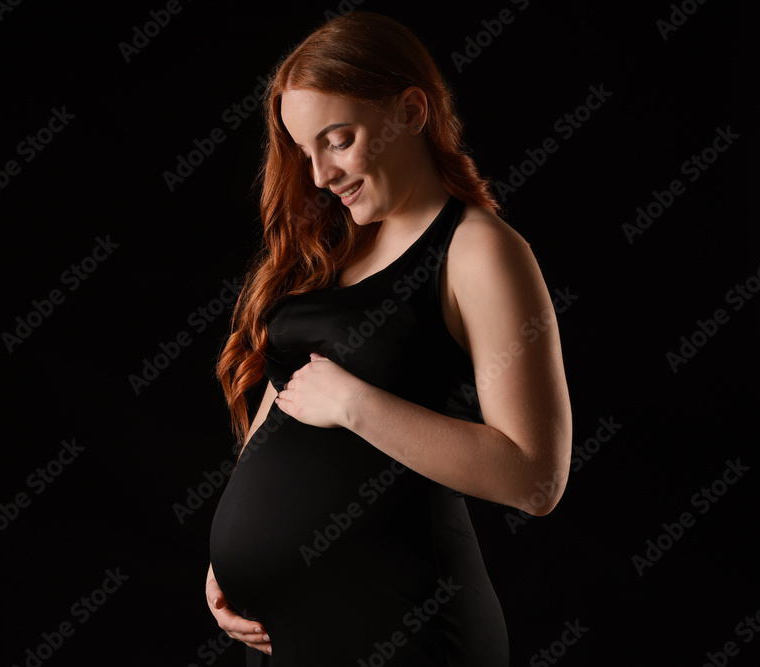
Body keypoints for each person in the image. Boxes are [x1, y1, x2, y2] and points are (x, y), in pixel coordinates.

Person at [206, 11, 572, 665]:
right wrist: (228, 558)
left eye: (338, 139)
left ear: (409, 110)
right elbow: (292, 391)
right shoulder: (339, 249)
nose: (318, 174)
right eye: (303, 150)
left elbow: (535, 477)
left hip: (405, 630)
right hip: (289, 637)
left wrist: (356, 404)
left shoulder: (479, 251)